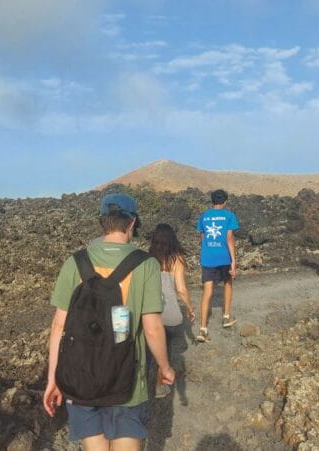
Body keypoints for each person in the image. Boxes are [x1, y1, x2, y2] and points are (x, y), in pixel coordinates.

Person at [43, 193, 175, 450]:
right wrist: (165, 367)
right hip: (126, 379)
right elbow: (152, 327)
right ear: (132, 222)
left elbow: (59, 325)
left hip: (82, 377)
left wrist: (53, 378)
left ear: (102, 221)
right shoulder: (146, 264)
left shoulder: (75, 261)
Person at [148, 223, 196, 398]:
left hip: (148, 311)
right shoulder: (176, 259)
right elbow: (181, 289)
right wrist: (190, 308)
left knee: (147, 350)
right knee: (165, 348)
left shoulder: (148, 258)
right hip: (168, 313)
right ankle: (160, 385)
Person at [195, 189, 239, 343]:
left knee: (207, 290)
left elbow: (202, 238)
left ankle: (202, 329)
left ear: (212, 201)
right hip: (224, 257)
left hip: (208, 258)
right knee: (228, 283)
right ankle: (226, 317)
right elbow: (229, 238)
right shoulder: (229, 216)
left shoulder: (204, 216)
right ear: (225, 201)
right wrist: (233, 261)